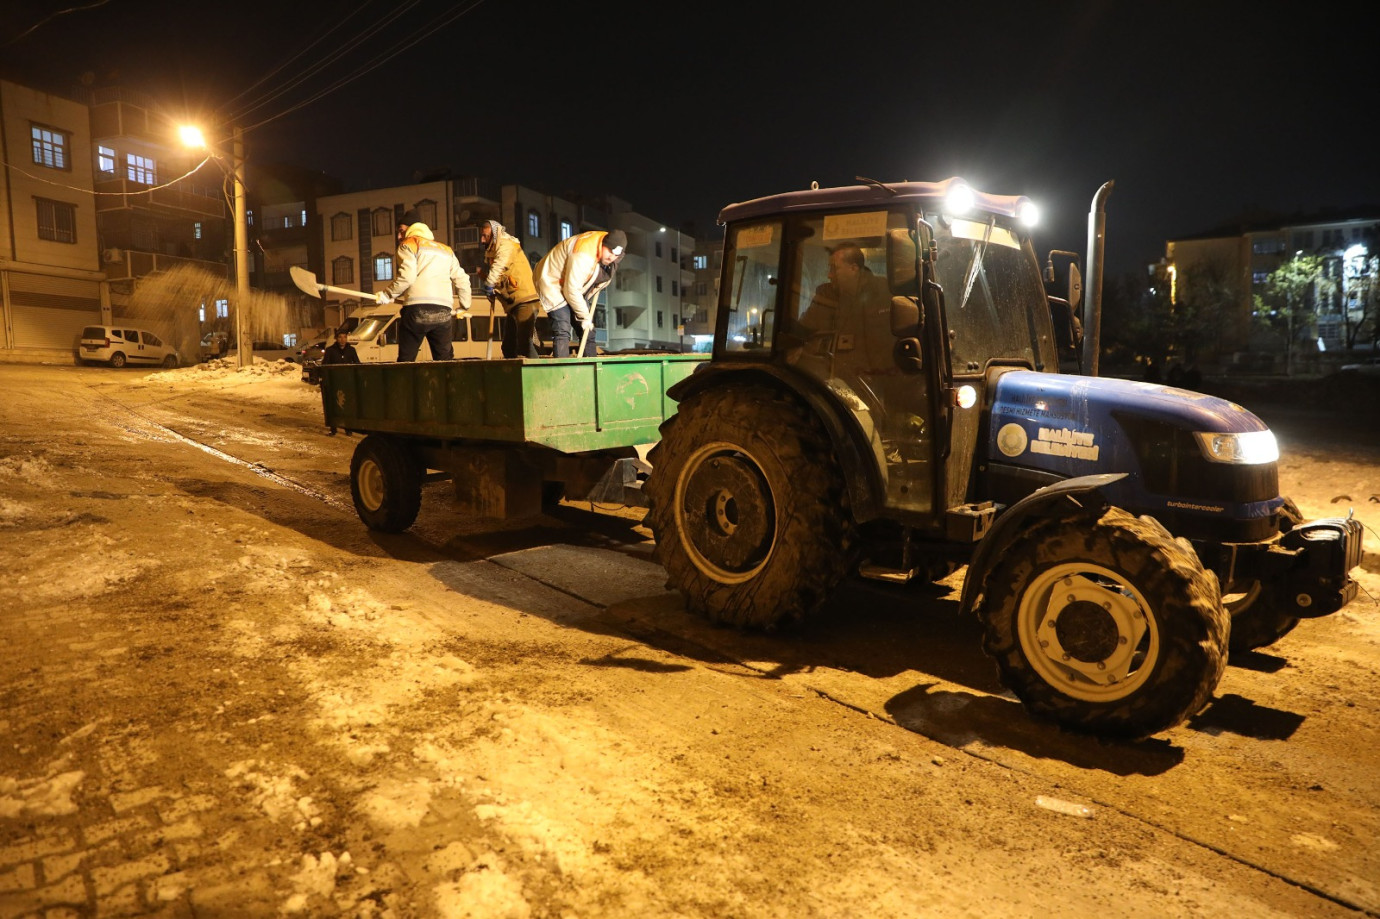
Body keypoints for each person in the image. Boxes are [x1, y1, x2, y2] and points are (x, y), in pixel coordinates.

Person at [376, 209, 471, 361]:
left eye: (401, 231)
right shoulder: (446, 250)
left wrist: (387, 295)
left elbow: (407, 277)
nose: (399, 236)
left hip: (417, 309)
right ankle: (447, 383)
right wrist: (464, 306)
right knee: (445, 361)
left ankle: (405, 383)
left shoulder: (409, 244)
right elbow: (462, 279)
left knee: (406, 361)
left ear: (412, 228)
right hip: (443, 311)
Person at [534, 229, 626, 357]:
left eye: (615, 255)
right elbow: (571, 290)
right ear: (603, 244)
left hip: (574, 284)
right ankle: (563, 373)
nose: (611, 257)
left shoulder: (612, 258)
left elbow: (592, 282)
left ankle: (592, 370)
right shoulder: (584, 254)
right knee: (562, 329)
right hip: (553, 280)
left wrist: (585, 316)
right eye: (609, 251)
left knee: (588, 331)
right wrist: (584, 316)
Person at [480, 220, 540, 358]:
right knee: (508, 347)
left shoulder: (506, 246)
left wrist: (489, 284)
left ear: (495, 234)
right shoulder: (494, 250)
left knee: (524, 344)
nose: (482, 240)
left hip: (525, 300)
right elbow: (501, 277)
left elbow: (500, 267)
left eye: (485, 236)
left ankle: (538, 375)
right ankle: (513, 375)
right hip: (514, 303)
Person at [321, 330, 360, 436]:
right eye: (340, 337)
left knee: (347, 405)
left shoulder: (351, 350)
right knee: (334, 405)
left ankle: (348, 427)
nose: (342, 340)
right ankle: (333, 428)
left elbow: (357, 364)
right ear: (336, 338)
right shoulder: (330, 351)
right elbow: (325, 365)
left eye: (344, 337)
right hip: (334, 382)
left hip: (348, 382)